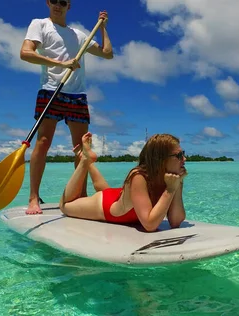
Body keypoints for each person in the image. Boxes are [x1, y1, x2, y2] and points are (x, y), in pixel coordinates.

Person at [19, 0, 114, 215]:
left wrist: (104, 28)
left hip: (77, 94)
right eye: (54, 1)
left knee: (81, 149)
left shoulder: (80, 35)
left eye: (63, 2)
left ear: (68, 6)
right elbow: (25, 53)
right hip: (50, 89)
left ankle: (80, 196)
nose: (58, 5)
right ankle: (34, 197)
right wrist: (62, 64)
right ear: (48, 3)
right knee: (43, 142)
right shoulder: (40, 25)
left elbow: (108, 53)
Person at [58, 132, 188, 232]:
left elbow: (175, 222)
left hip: (121, 196)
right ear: (160, 159)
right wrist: (170, 190)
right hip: (105, 206)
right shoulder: (138, 176)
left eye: (183, 153)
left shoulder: (172, 178)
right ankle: (85, 160)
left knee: (104, 189)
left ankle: (87, 159)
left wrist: (176, 186)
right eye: (178, 155)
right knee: (65, 206)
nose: (184, 159)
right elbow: (149, 225)